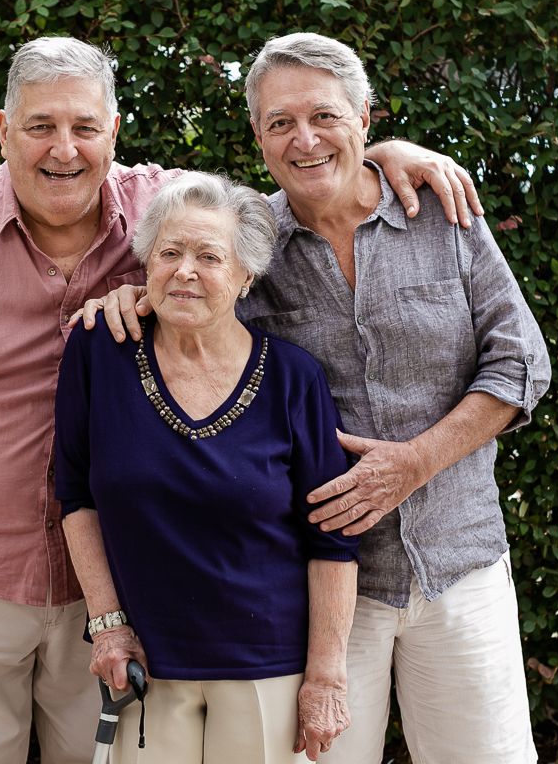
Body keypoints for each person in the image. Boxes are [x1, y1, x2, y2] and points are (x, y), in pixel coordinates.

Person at [0, 34, 485, 764]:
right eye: (40, 126)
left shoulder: (159, 203)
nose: (63, 150)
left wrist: (385, 157)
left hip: (111, 590)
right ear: (4, 131)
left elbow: (266, 197)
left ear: (114, 131)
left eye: (84, 127)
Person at [89, 32, 551, 764]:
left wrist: (416, 461)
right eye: (280, 122)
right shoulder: (249, 247)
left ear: (365, 117)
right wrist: (135, 291)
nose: (303, 139)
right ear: (258, 136)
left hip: (460, 563)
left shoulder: (439, 211)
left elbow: (521, 363)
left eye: (325, 116)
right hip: (329, 593)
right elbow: (189, 284)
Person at [56, 172, 359, 763]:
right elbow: (75, 495)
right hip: (144, 661)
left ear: (246, 275)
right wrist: (108, 624)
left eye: (209, 256)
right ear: (146, 264)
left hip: (267, 665)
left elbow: (332, 537)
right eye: (169, 252)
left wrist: (326, 674)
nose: (184, 270)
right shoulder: (98, 353)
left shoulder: (295, 379)